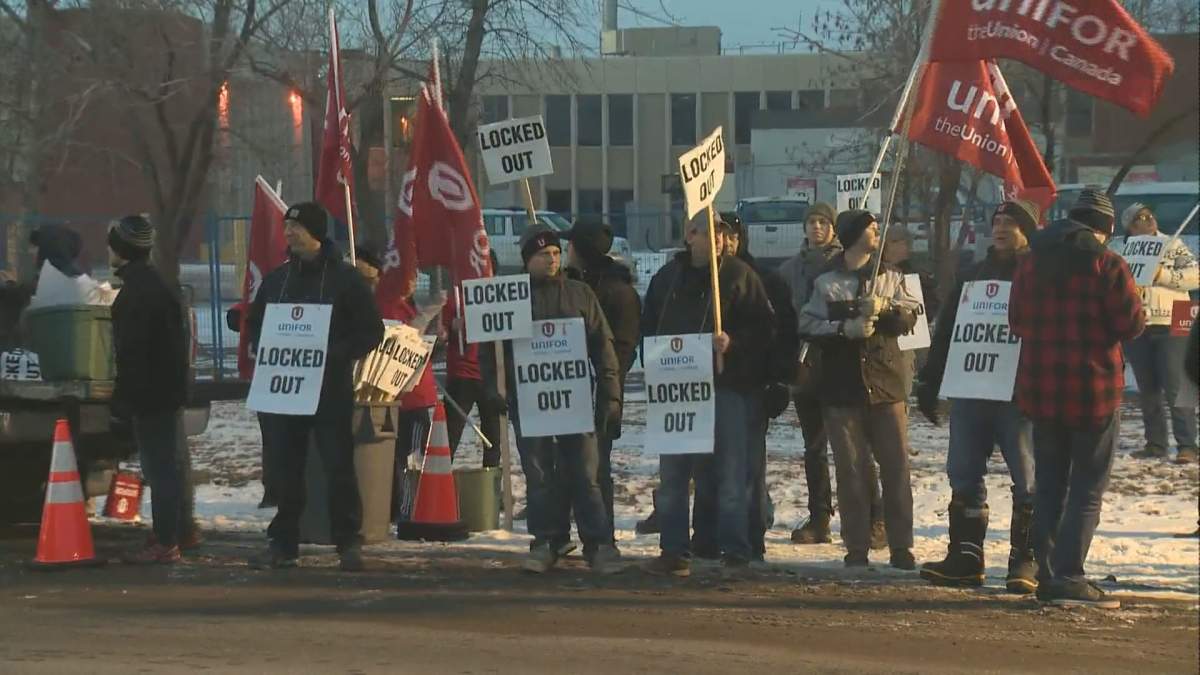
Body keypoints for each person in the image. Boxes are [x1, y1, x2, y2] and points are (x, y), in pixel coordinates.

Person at [1008, 189, 1144, 608]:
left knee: (1049, 485)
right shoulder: (1108, 263)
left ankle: (1048, 574)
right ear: (1104, 229)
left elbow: (1015, 322)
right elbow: (1132, 324)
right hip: (1095, 392)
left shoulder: (1031, 262)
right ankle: (1070, 575)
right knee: (1087, 488)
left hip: (1042, 389)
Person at [245, 202, 384, 572]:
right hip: (285, 393)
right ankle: (284, 542)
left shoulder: (346, 280)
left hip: (329, 391)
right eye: (286, 227)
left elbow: (372, 331)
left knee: (338, 466)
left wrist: (335, 356)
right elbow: (256, 323)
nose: (289, 233)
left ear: (316, 233)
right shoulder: (278, 280)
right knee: (286, 468)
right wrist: (260, 342)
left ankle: (348, 542)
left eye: (297, 227)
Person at [482, 224, 623, 574]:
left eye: (557, 253)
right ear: (528, 258)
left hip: (575, 403)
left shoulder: (580, 294)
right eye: (544, 254)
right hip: (529, 405)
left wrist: (611, 396)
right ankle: (545, 541)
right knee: (540, 475)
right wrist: (495, 390)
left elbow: (603, 347)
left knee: (586, 475)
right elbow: (490, 350)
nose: (552, 259)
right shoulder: (510, 297)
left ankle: (599, 545)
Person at [916, 201, 1041, 593]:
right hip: (971, 390)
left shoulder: (1039, 276)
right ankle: (966, 557)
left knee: (1029, 478)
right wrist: (930, 382)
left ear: (1028, 230)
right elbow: (949, 330)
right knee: (963, 472)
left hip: (1020, 396)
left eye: (1011, 222)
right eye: (997, 222)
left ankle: (1027, 559)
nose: (1001, 228)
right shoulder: (973, 275)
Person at [640, 213, 774, 577]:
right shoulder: (666, 280)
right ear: (689, 236)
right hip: (677, 393)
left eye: (722, 232)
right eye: (708, 231)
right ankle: (673, 549)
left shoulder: (738, 276)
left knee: (731, 473)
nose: (716, 238)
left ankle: (735, 550)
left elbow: (764, 329)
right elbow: (649, 329)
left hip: (727, 388)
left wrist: (734, 343)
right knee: (673, 476)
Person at [798, 210, 919, 569]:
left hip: (885, 385)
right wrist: (841, 330)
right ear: (853, 235)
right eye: (870, 227)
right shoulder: (826, 282)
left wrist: (886, 311)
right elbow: (806, 323)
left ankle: (901, 545)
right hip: (841, 389)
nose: (877, 232)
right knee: (851, 469)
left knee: (896, 467)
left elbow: (912, 316)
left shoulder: (893, 276)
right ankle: (856, 546)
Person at [778, 202, 884, 548]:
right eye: (811, 221)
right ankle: (819, 516)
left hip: (844, 365)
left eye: (824, 221)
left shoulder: (848, 265)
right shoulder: (789, 270)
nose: (817, 227)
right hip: (805, 362)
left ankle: (874, 517)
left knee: (858, 448)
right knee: (814, 447)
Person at [107, 216, 191, 564]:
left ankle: (166, 540)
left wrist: (123, 399)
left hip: (151, 395)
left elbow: (133, 355)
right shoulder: (158, 286)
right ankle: (173, 532)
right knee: (168, 466)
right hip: (166, 392)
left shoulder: (136, 295)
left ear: (121, 251)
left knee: (160, 470)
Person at [561, 216, 641, 545]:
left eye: (569, 245)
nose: (564, 251)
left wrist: (606, 387)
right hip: (566, 392)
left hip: (600, 394)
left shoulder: (618, 293)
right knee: (567, 467)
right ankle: (566, 533)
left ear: (579, 250)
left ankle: (601, 536)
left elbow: (624, 350)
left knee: (595, 469)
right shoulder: (568, 286)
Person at [354, 245, 447, 521]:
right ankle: (405, 510)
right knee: (409, 459)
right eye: (408, 276)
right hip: (405, 398)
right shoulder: (387, 304)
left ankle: (402, 507)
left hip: (415, 394)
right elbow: (397, 339)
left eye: (416, 277)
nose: (413, 282)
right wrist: (424, 319)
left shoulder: (404, 304)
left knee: (407, 457)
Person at [723, 213, 796, 561]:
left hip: (751, 384)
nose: (726, 242)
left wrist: (779, 379)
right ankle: (713, 535)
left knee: (749, 468)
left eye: (732, 235)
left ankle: (751, 539)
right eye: (719, 235)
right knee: (713, 470)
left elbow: (781, 333)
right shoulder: (697, 279)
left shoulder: (766, 281)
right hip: (708, 388)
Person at [1119, 203, 1199, 464]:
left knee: (1176, 386)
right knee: (1148, 387)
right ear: (1129, 225)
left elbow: (1195, 276)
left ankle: (1187, 445)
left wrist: (1162, 274)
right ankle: (1155, 443)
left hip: (1175, 319)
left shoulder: (1173, 245)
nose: (1148, 219)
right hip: (1138, 322)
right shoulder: (1120, 249)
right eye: (1140, 216)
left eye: (1150, 214)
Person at [442, 303, 503, 466]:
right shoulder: (455, 298)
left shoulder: (497, 297)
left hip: (491, 373)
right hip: (462, 374)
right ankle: (441, 482)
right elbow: (441, 335)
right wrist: (449, 328)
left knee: (493, 436)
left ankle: (491, 484)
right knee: (449, 436)